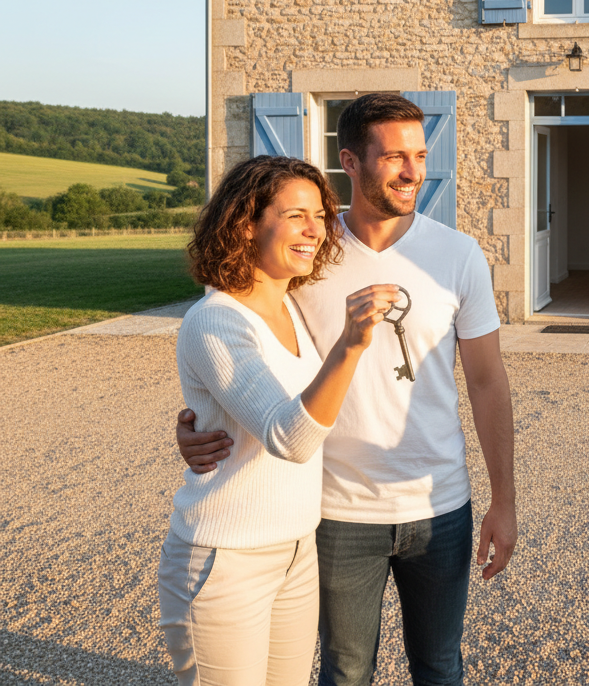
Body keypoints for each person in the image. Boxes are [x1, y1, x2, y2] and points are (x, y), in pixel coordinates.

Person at [178, 93, 517, 686]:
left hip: (440, 505)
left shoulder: (459, 255)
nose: (413, 172)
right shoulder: (307, 255)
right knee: (346, 670)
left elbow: (488, 382)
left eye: (420, 155)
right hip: (336, 511)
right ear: (351, 162)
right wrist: (198, 423)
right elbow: (243, 344)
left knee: (440, 666)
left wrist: (505, 500)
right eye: (393, 157)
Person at [159, 154, 398, 685]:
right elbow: (289, 438)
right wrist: (351, 344)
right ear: (246, 224)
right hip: (225, 559)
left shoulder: (290, 303)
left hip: (297, 551)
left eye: (319, 214)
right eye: (296, 215)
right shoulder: (215, 320)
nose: (316, 229)